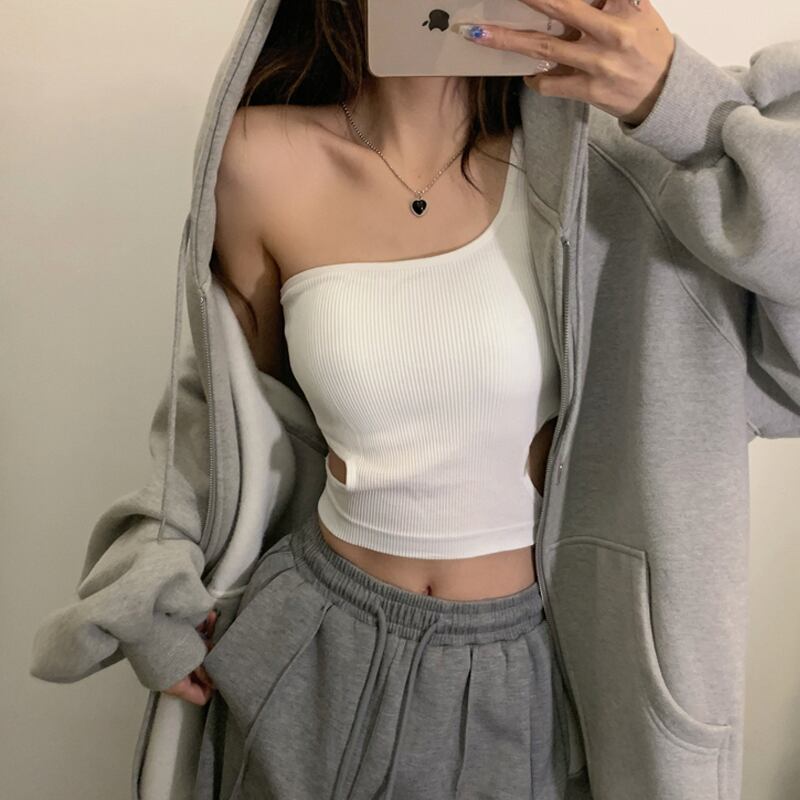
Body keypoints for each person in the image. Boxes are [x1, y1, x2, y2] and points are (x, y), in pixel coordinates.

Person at [29, 0, 800, 798]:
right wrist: (154, 570)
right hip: (312, 648)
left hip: (529, 670)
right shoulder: (258, 160)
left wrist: (676, 101)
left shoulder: (618, 173)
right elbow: (229, 411)